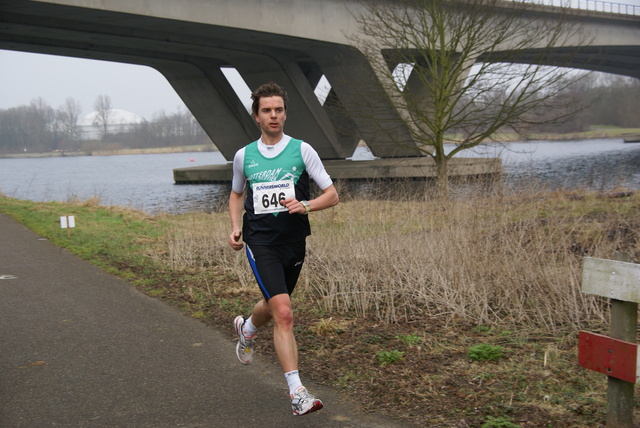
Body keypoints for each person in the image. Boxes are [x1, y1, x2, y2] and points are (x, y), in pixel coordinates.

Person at [227, 82, 339, 416]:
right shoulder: (244, 156)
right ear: (256, 116)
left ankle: (246, 329)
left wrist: (307, 205)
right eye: (267, 110)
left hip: (294, 242)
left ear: (285, 113)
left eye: (278, 110)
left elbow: (331, 195)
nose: (273, 116)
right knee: (285, 312)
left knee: (275, 305)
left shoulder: (303, 150)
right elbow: (236, 194)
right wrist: (235, 227)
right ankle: (297, 393)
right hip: (260, 241)